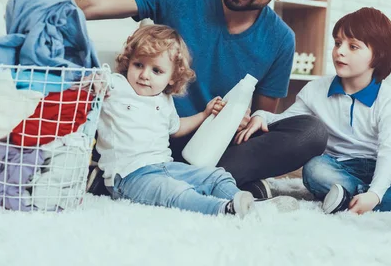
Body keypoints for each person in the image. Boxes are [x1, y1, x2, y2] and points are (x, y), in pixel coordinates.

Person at [71, 0, 328, 199]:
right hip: (148, 138)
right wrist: (33, 0)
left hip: (210, 149)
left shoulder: (280, 40)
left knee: (311, 132)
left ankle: (173, 180)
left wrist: (243, 121)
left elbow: (258, 121)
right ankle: (205, 182)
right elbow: (91, 4)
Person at [240, 7, 391, 214]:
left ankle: (357, 199)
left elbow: (389, 152)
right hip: (337, 168)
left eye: (353, 46)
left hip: (379, 167)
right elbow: (287, 123)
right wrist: (260, 115)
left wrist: (376, 192)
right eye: (337, 43)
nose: (340, 51)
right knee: (314, 169)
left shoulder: (389, 100)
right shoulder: (316, 90)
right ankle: (373, 200)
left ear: (378, 55)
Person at [91, 24, 297, 216]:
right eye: (138, 65)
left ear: (171, 77)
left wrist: (204, 115)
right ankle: (224, 209)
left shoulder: (164, 100)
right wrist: (96, 81)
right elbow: (96, 80)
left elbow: (176, 127)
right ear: (128, 62)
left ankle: (250, 204)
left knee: (216, 176)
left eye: (156, 71)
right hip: (128, 176)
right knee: (175, 191)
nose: (144, 75)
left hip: (164, 166)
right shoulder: (117, 86)